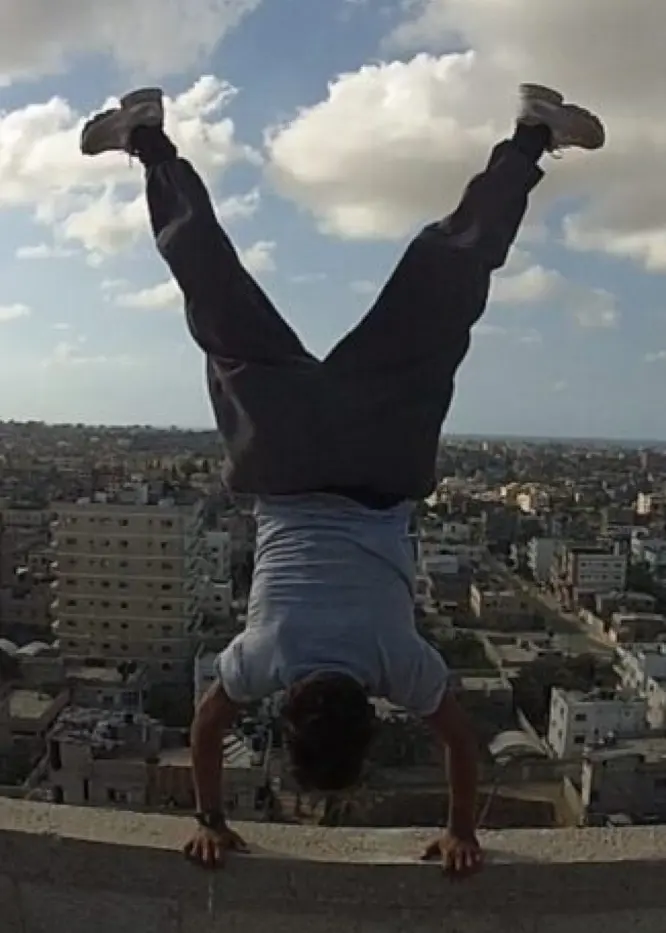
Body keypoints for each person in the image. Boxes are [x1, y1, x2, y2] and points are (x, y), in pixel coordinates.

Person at [81, 84, 604, 876]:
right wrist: (210, 817)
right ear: (290, 712)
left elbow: (459, 740)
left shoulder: (399, 660)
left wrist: (463, 831)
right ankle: (149, 142)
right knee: (215, 294)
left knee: (446, 283)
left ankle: (531, 136)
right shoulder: (264, 657)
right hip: (285, 458)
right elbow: (206, 727)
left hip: (378, 459)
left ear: (370, 716)